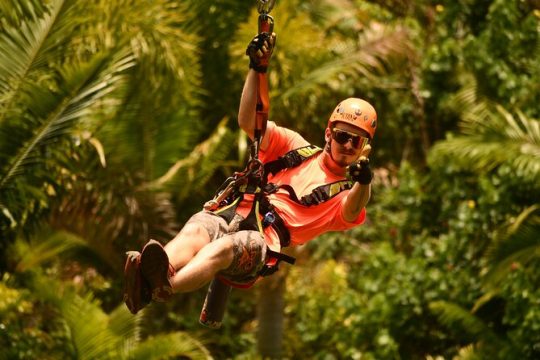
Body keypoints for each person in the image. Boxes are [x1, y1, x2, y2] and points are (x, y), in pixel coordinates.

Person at [123, 32, 378, 315]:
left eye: (357, 141)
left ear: (364, 147)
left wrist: (364, 180)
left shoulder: (345, 192)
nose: (348, 145)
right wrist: (257, 69)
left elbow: (355, 207)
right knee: (198, 227)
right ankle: (151, 278)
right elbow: (249, 121)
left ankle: (165, 286)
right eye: (343, 136)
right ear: (329, 133)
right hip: (235, 212)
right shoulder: (295, 147)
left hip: (262, 244)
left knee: (222, 249)